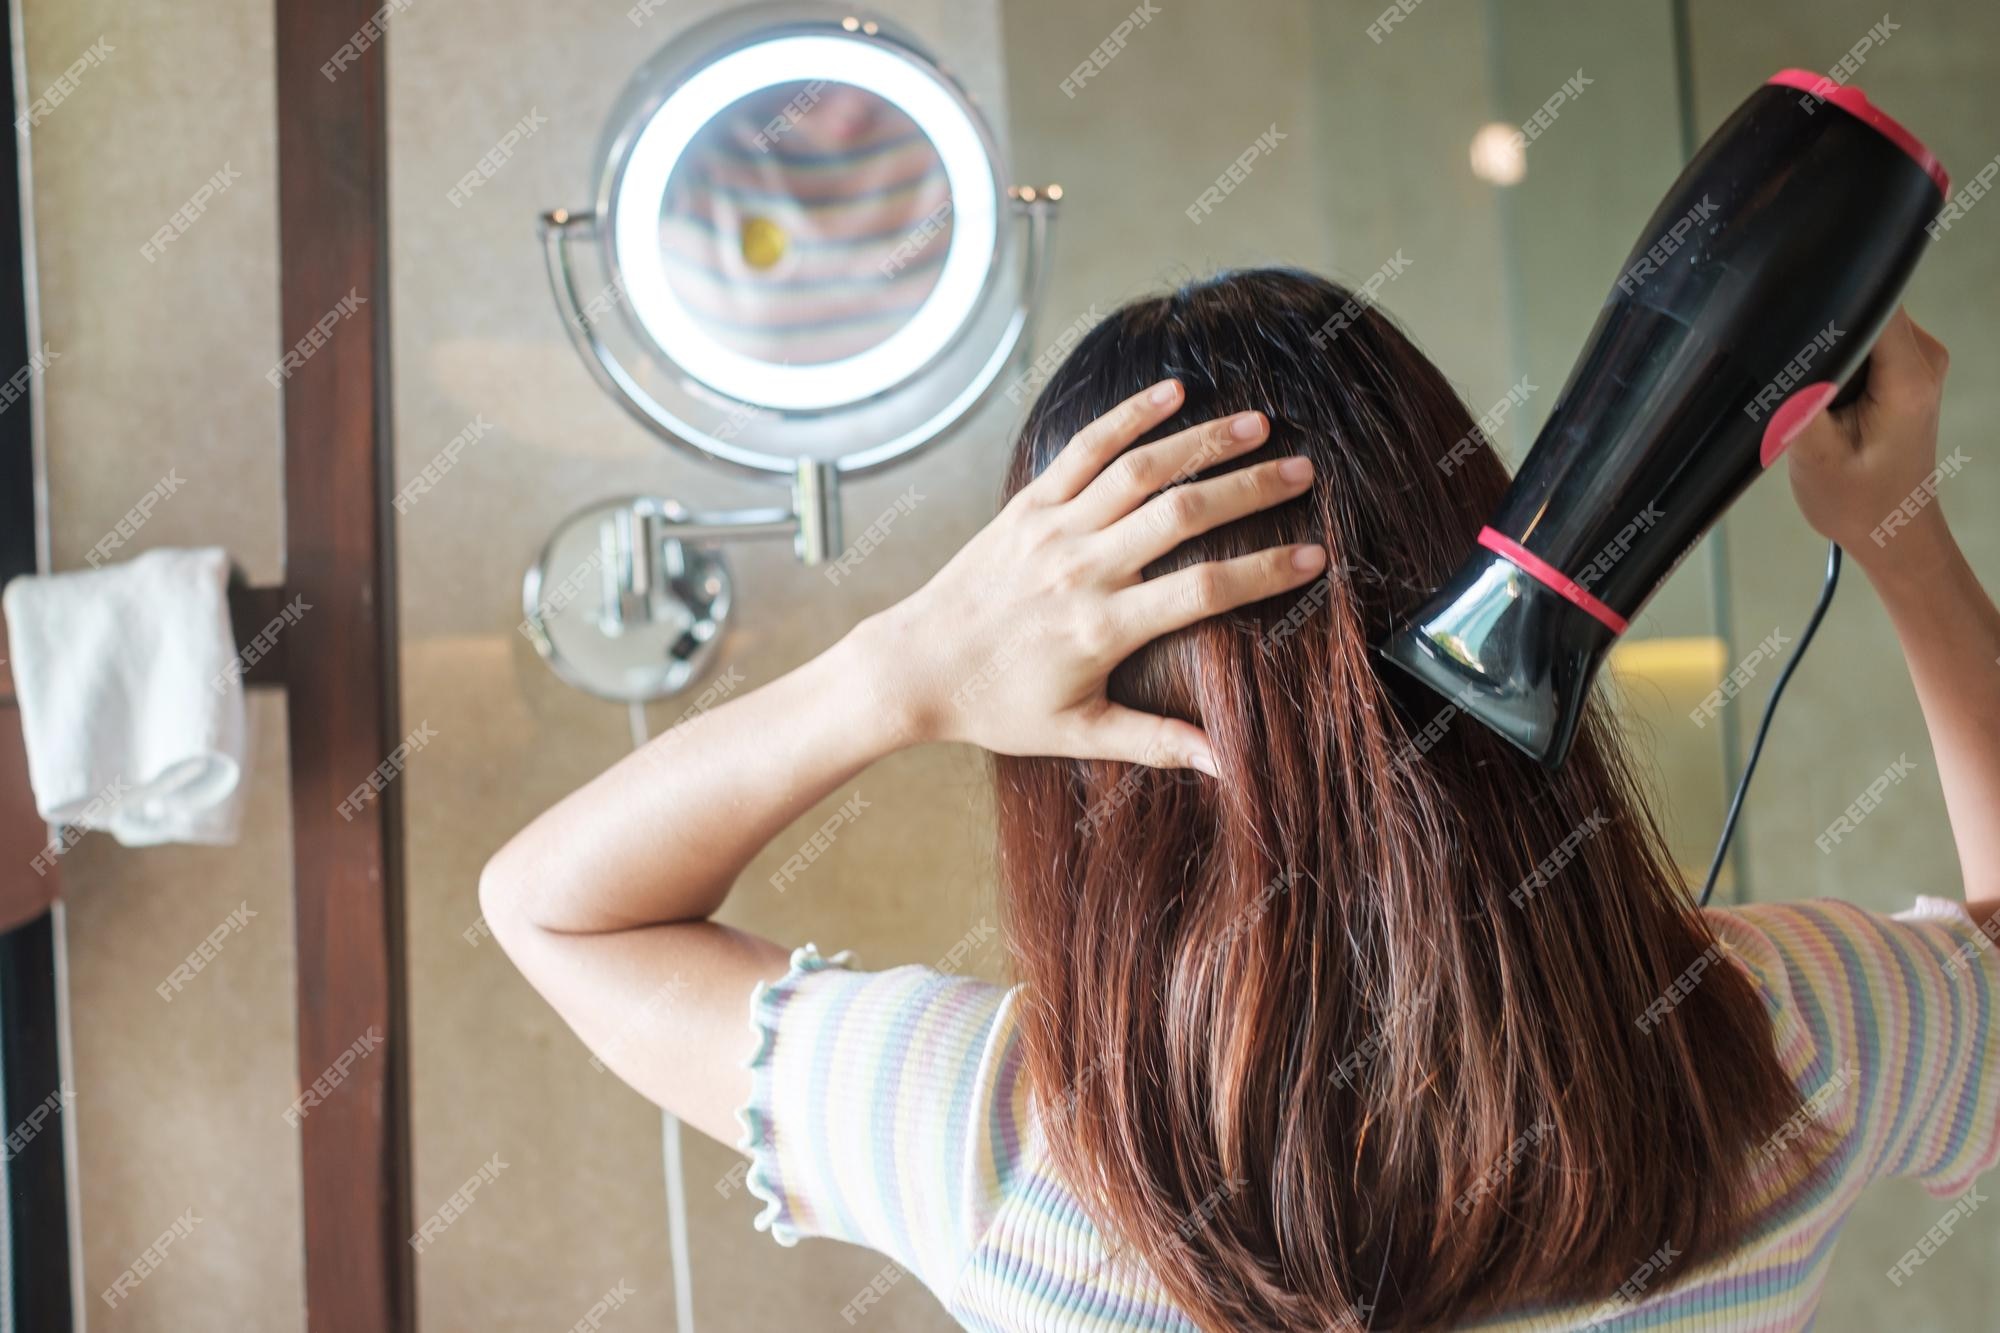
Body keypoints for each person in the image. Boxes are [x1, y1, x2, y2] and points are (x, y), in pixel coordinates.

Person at [481, 269, 1998, 1330]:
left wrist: (905, 670)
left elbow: (555, 909)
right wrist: (1901, 530)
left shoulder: (1000, 1147)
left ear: (1072, 739)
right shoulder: (1778, 1040)